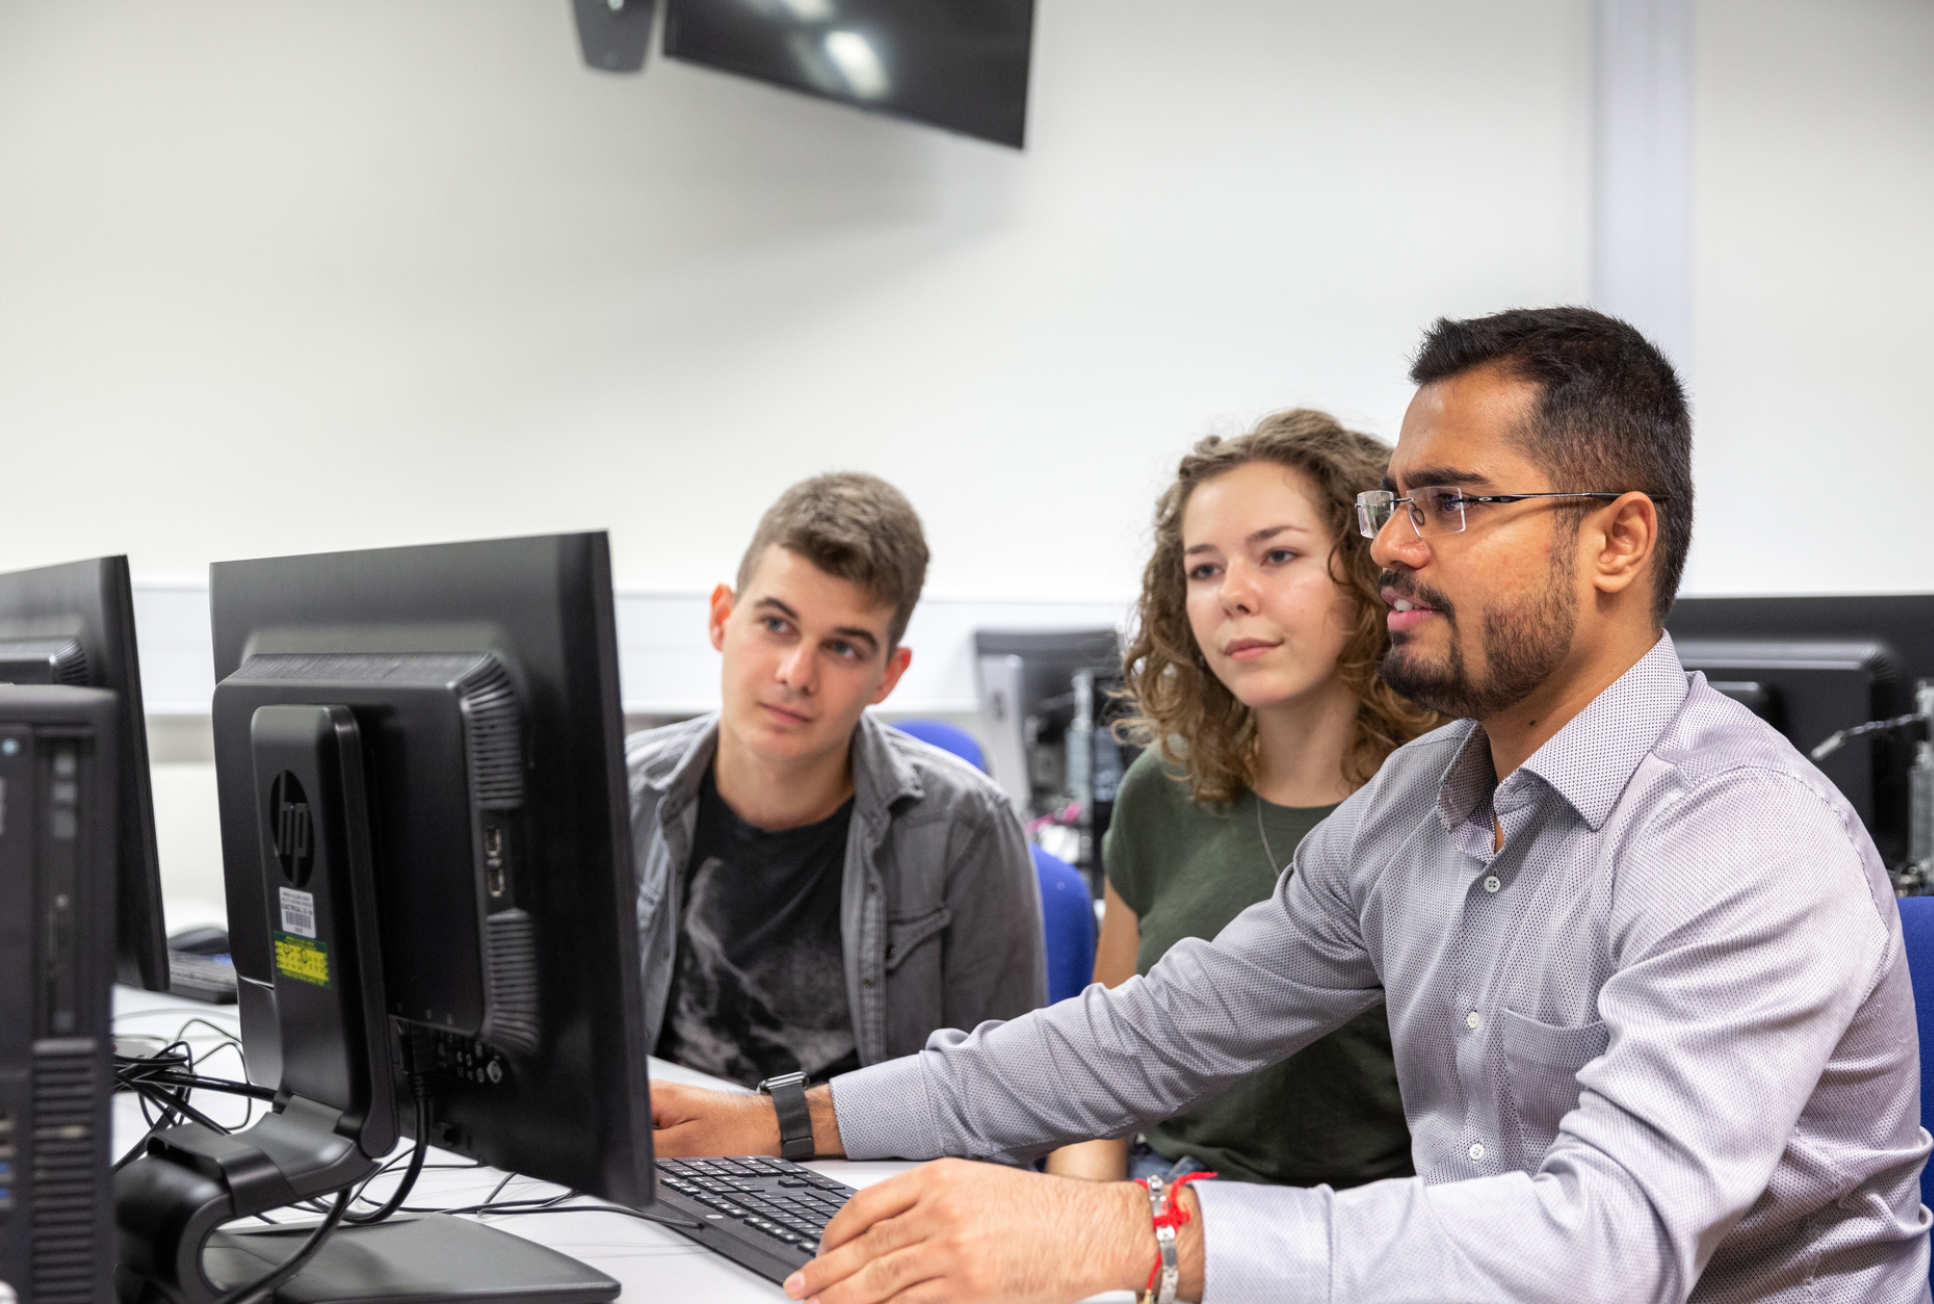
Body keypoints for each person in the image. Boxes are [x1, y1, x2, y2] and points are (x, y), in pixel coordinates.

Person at [650, 309, 1931, 1304]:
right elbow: (1146, 1035)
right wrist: (778, 1120)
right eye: (1394, 505)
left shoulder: (1743, 840)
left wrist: (1136, 1232)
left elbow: (1600, 1241)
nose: (1389, 547)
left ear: (1614, 541)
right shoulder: (1416, 804)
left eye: (1451, 505)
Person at [1046, 409, 1438, 1189]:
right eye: (1204, 569)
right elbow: (1102, 1078)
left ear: (1370, 571)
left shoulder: (1454, 796)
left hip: (1364, 1244)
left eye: (1279, 555)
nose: (1234, 595)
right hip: (1160, 1206)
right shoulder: (1162, 788)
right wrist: (1076, 1232)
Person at [627, 471, 1044, 1090]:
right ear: (722, 618)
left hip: (865, 1177)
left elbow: (1009, 1103)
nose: (796, 674)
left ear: (888, 675)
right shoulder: (623, 794)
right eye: (775, 625)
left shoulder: (965, 829)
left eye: (843, 648)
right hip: (659, 1164)